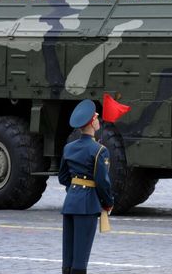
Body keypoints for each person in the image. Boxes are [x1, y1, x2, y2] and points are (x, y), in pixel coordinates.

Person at [59, 99, 114, 274]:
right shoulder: (99, 150)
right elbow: (103, 183)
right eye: (96, 117)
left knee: (68, 256)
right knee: (80, 258)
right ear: (92, 122)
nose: (98, 120)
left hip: (70, 204)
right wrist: (108, 203)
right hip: (87, 206)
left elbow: (63, 177)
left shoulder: (69, 148)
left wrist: (75, 190)